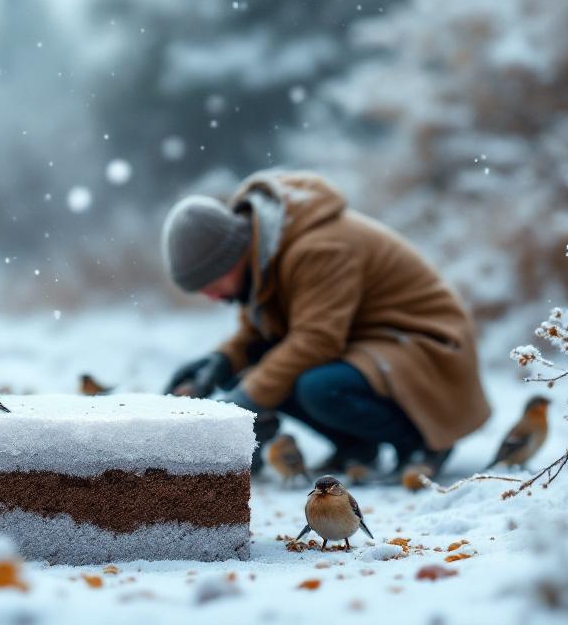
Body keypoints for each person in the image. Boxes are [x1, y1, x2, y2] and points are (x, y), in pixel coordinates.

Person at [161, 170, 489, 478]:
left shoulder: (318, 248)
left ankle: (422, 443)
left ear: (230, 258)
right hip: (371, 344)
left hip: (426, 347)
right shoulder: (263, 253)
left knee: (315, 387)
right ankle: (357, 445)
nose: (210, 296)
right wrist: (219, 363)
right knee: (259, 371)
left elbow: (317, 341)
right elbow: (259, 333)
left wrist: (243, 400)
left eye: (209, 283)